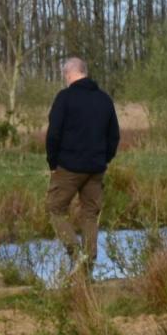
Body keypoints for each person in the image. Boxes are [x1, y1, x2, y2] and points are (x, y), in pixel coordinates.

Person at [44, 56, 120, 275]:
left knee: (54, 209)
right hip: (96, 168)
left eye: (64, 76)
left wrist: (52, 162)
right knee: (89, 215)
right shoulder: (104, 99)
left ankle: (75, 253)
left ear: (68, 74)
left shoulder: (65, 98)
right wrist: (104, 159)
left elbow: (53, 133)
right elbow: (114, 136)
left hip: (68, 167)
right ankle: (87, 267)